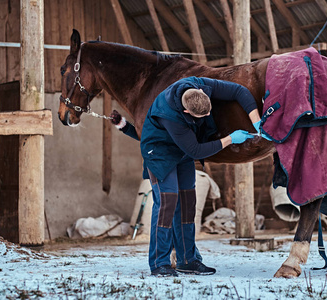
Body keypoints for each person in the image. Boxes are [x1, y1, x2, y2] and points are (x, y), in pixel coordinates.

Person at [111, 76, 262, 277]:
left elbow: (239, 91)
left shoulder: (200, 85)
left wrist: (257, 122)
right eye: (203, 115)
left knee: (187, 203)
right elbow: (196, 150)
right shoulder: (170, 116)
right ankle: (159, 263)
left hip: (182, 151)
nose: (208, 116)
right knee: (168, 202)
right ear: (186, 111)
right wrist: (229, 139)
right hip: (159, 152)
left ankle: (187, 260)